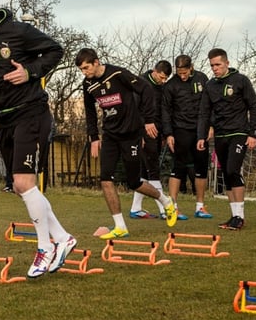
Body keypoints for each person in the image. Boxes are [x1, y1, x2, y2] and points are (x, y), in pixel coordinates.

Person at [0, 0, 76, 278]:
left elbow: (55, 50)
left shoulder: (19, 31)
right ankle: (62, 237)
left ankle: (45, 247)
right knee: (20, 187)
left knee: (24, 183)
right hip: (3, 117)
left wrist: (30, 71)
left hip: (31, 111)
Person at [75, 48, 179, 239]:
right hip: (110, 135)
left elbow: (146, 89)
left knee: (134, 182)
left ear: (96, 62)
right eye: (81, 70)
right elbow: (90, 111)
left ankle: (166, 202)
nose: (84, 72)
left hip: (131, 134)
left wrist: (148, 120)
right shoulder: (88, 84)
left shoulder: (118, 74)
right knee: (105, 179)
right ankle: (120, 226)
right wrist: (94, 137)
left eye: (86, 68)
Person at [196, 48, 256, 230]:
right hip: (220, 135)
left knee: (233, 170)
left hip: (239, 133)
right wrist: (201, 136)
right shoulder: (210, 86)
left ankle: (240, 216)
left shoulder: (241, 80)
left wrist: (254, 133)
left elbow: (253, 106)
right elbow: (204, 112)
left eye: (218, 64)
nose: (215, 68)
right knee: (226, 174)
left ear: (227, 63)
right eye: (212, 66)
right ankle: (234, 217)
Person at [162, 54, 213, 219]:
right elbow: (165, 111)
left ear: (191, 68)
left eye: (185, 72)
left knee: (201, 167)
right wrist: (168, 133)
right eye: (179, 73)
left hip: (200, 131)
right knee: (179, 167)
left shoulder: (202, 79)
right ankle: (173, 207)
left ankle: (200, 206)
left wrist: (211, 125)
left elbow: (209, 105)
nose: (182, 76)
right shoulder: (171, 85)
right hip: (180, 130)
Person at [129, 60, 177, 219]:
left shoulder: (162, 88)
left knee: (144, 171)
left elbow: (161, 112)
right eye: (161, 77)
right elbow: (133, 110)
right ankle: (165, 209)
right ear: (155, 71)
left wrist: (163, 133)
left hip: (156, 132)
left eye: (166, 79)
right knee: (153, 170)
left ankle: (135, 209)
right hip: (143, 132)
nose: (163, 81)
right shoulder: (140, 83)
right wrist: (138, 133)